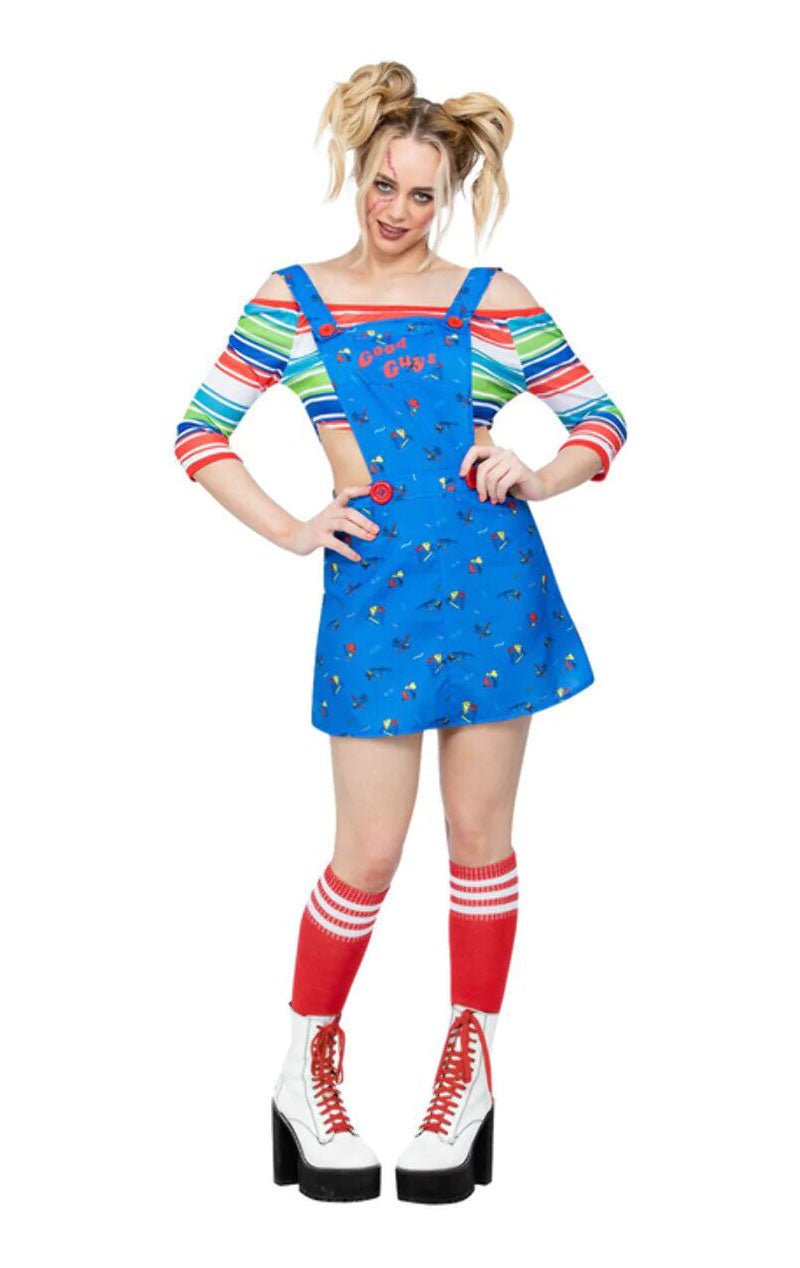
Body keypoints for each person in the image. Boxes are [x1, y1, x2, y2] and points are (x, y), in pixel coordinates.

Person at [174, 60, 627, 1205]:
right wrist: (293, 527)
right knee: (366, 854)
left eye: (422, 194)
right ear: (358, 171)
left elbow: (598, 416)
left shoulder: (492, 296)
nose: (397, 210)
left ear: (449, 195)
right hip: (371, 601)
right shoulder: (294, 297)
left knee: (479, 842)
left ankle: (465, 1072)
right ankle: (305, 1065)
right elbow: (200, 431)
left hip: (494, 594)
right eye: (384, 184)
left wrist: (538, 471)